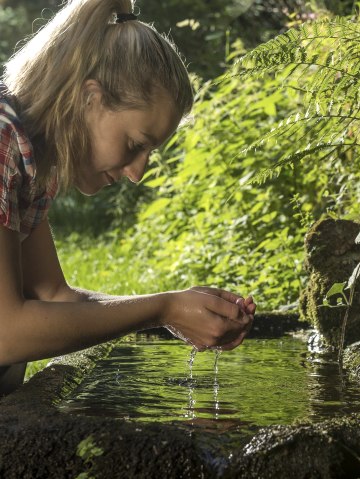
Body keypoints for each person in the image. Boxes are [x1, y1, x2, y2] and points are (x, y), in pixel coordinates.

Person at [0, 0, 255, 396]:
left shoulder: (31, 158)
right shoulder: (2, 143)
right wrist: (161, 307)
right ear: (90, 99)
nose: (137, 173)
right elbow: (6, 332)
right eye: (136, 144)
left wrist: (175, 311)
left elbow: (54, 296)